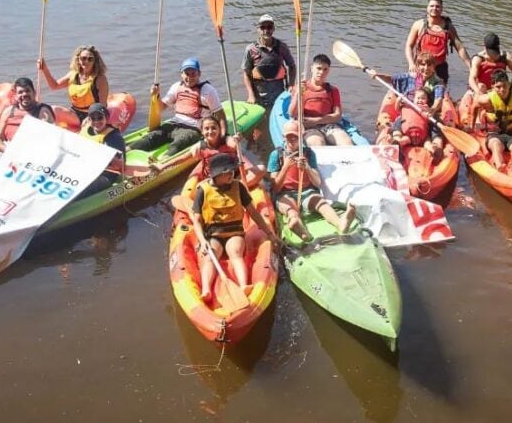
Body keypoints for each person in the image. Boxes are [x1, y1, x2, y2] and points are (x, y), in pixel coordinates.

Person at [190, 153, 282, 303]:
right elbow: (197, 220)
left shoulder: (238, 187)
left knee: (236, 252)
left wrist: (269, 234)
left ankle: (244, 285)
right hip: (213, 234)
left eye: (232, 171)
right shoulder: (203, 190)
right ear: (216, 175)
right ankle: (206, 289)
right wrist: (202, 240)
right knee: (210, 256)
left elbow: (253, 213)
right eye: (226, 172)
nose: (231, 174)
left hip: (234, 232)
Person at [267, 120, 355, 240]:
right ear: (283, 137)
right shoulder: (276, 155)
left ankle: (340, 223)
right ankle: (301, 230)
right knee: (291, 210)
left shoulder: (309, 153)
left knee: (321, 203)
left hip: (307, 191)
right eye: (289, 136)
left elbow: (317, 182)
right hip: (285, 193)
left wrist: (307, 167)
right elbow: (275, 187)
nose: (292, 139)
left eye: (295, 136)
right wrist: (285, 167)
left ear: (301, 136)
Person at [134, 57, 222, 156]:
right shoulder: (176, 87)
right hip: (174, 123)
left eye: (193, 73)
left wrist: (223, 135)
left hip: (193, 128)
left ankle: (162, 163)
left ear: (199, 74)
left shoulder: (208, 91)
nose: (190, 77)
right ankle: (127, 150)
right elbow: (161, 108)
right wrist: (156, 95)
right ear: (181, 74)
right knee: (152, 136)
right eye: (187, 73)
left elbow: (220, 114)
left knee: (178, 143)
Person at [366, 50, 446, 125]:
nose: (426, 68)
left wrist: (432, 109)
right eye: (423, 64)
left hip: (427, 113)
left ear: (434, 67)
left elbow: (438, 100)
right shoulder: (412, 76)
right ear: (418, 66)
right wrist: (377, 75)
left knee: (436, 128)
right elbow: (392, 79)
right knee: (398, 125)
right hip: (409, 111)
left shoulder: (438, 82)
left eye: (429, 65)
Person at [288, 54, 352, 146]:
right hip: (309, 127)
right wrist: (298, 94)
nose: (321, 72)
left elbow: (337, 116)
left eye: (325, 69)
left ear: (329, 70)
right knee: (317, 143)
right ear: (312, 68)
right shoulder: (300, 88)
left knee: (346, 142)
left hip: (328, 125)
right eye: (318, 68)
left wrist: (317, 120)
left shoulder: (333, 90)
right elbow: (292, 114)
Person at [404, 0, 470, 83]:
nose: (434, 8)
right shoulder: (419, 25)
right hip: (422, 66)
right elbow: (409, 46)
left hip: (440, 68)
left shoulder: (448, 27)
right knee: (419, 93)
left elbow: (460, 48)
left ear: (442, 9)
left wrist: (471, 66)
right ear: (427, 8)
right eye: (432, 6)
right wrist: (411, 64)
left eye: (437, 6)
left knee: (441, 93)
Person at [37, 45, 110, 122]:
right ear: (78, 59)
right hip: (74, 112)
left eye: (90, 59)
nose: (86, 61)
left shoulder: (100, 79)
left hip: (92, 114)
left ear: (94, 61)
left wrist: (91, 119)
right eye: (83, 58)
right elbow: (54, 86)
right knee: (53, 109)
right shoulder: (72, 74)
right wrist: (44, 69)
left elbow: (102, 106)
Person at [241, 14, 296, 111]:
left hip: (279, 96)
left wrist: (291, 85)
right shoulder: (251, 49)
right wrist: (250, 94)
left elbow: (292, 66)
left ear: (274, 28)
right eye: (263, 27)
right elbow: (246, 73)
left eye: (269, 27)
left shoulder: (282, 47)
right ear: (258, 29)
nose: (266, 30)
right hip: (258, 97)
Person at [74, 102, 127, 200]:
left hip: (106, 174)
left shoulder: (114, 138)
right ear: (88, 119)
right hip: (86, 167)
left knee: (79, 190)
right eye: (93, 118)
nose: (96, 121)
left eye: (100, 117)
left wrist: (104, 154)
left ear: (106, 118)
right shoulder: (86, 129)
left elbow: (121, 166)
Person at [377, 86, 442, 163]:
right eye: (418, 98)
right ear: (414, 99)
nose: (420, 100)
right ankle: (398, 144)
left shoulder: (426, 108)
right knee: (406, 140)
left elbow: (428, 119)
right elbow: (397, 109)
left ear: (427, 101)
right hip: (411, 134)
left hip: (422, 134)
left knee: (426, 142)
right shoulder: (408, 105)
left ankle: (433, 150)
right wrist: (398, 100)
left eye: (423, 98)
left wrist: (428, 113)